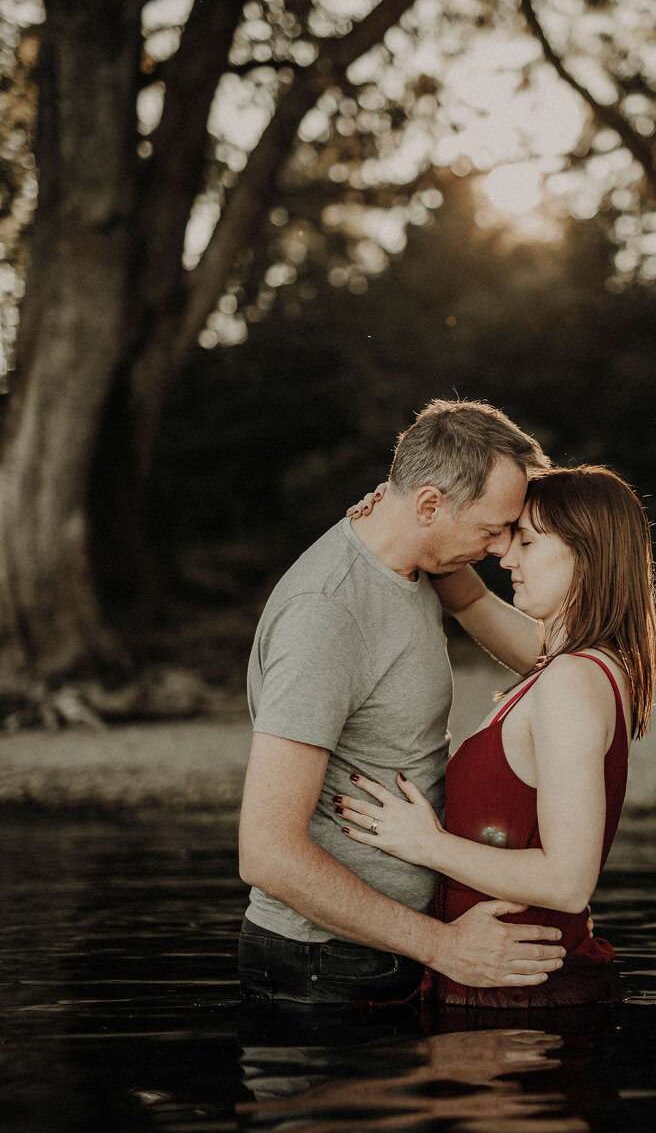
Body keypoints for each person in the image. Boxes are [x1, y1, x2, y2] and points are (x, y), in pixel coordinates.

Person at [238, 398, 568, 1007]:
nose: (501, 548)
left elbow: (534, 651)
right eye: (491, 528)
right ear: (428, 505)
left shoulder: (421, 562)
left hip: (389, 951)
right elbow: (267, 854)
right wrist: (443, 947)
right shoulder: (328, 616)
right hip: (324, 966)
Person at [336, 465, 656, 1007]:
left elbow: (567, 881)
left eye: (527, 542)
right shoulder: (576, 667)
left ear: (588, 552)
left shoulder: (571, 682)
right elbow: (469, 602)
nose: (507, 557)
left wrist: (427, 845)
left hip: (522, 1002)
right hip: (507, 986)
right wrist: (409, 520)